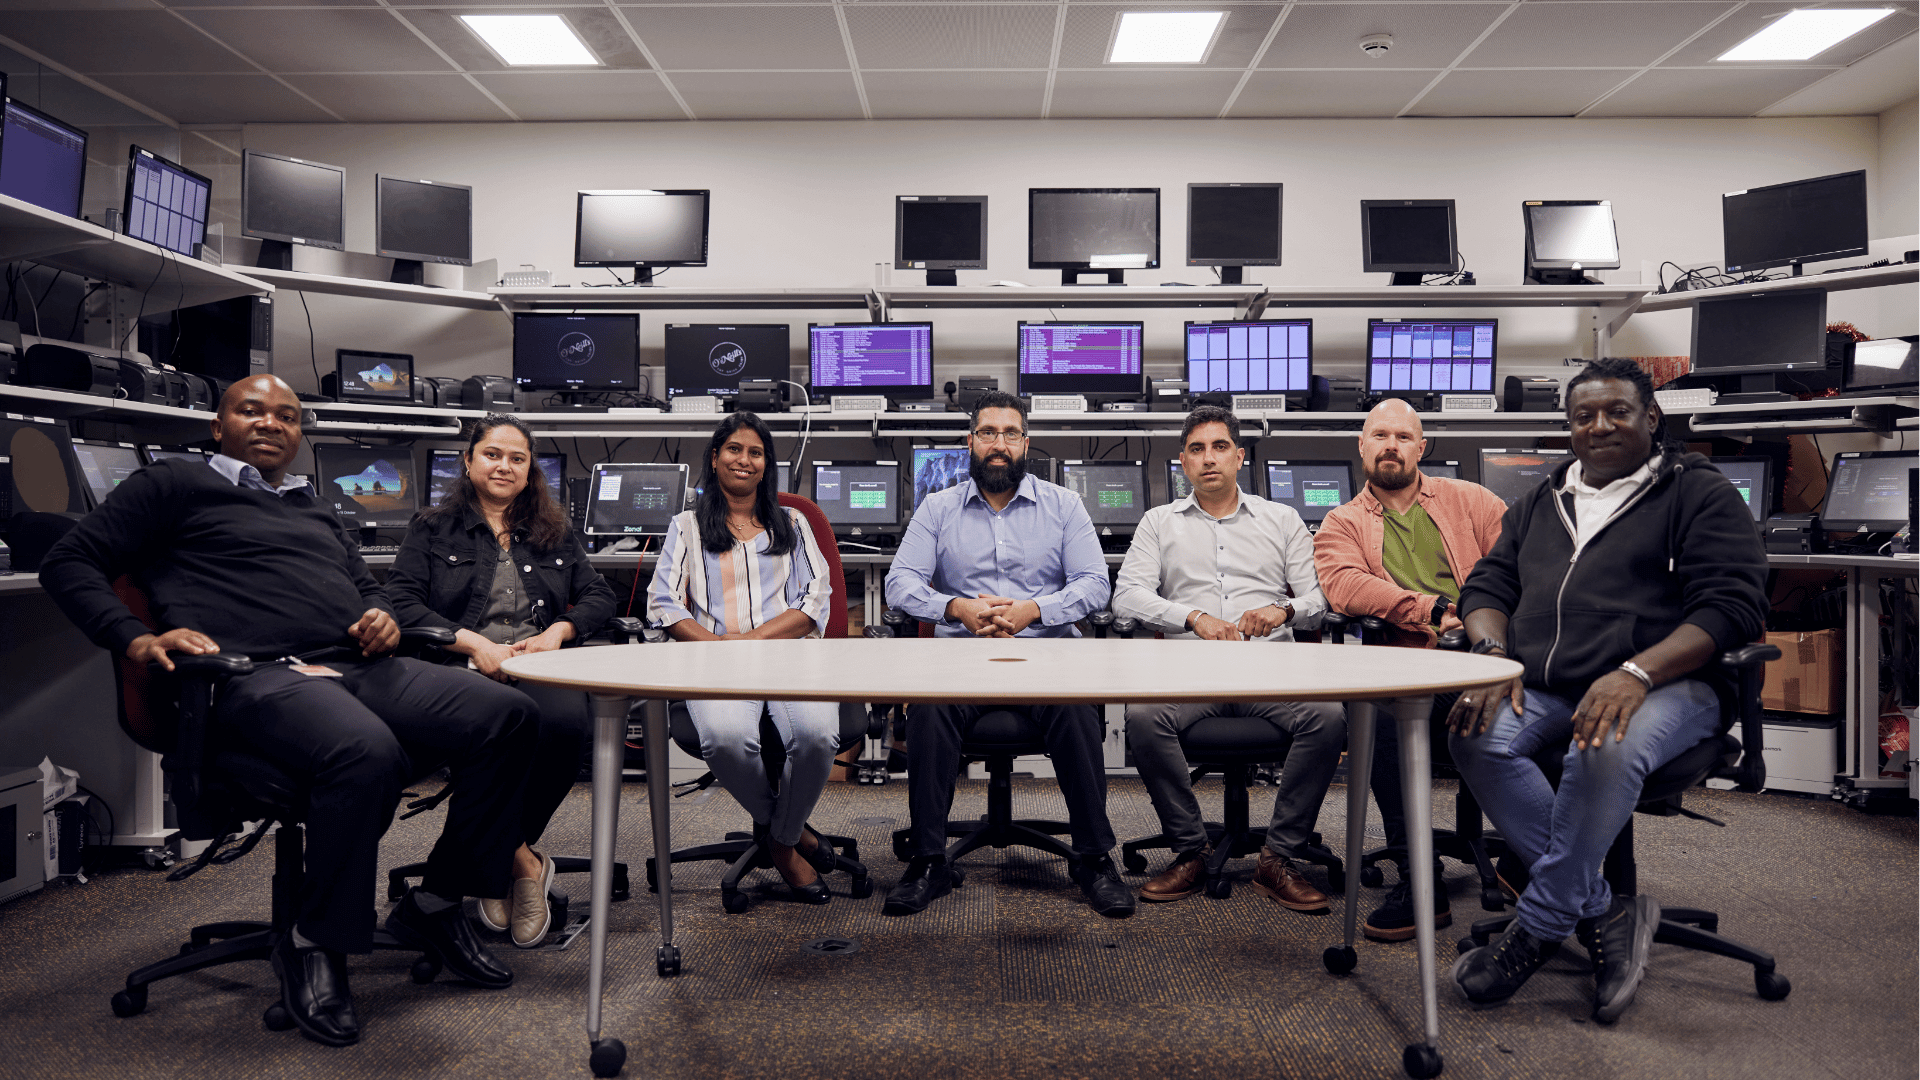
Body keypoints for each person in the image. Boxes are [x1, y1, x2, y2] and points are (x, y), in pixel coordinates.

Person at [38, 376, 537, 1048]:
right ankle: (315, 941)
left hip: (354, 665)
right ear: (218, 426)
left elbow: (367, 590)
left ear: (299, 434)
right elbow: (68, 560)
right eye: (252, 411)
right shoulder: (174, 485)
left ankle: (437, 901)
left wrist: (382, 618)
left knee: (509, 715)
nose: (271, 423)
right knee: (365, 750)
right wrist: (134, 637)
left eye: (287, 416)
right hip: (251, 675)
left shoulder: (316, 507)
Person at [1445, 358, 1767, 1023]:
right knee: (1473, 732)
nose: (1600, 426)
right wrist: (1493, 656)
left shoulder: (1698, 493)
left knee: (1602, 745)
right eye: (1584, 416)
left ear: (1652, 417)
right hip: (1550, 681)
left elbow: (1731, 609)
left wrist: (1636, 673)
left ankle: (1538, 926)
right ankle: (1600, 909)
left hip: (1673, 683)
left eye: (1618, 411)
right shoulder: (1540, 500)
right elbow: (1486, 587)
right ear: (1568, 427)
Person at [882, 390, 1125, 918]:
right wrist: (956, 608)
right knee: (928, 710)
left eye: (1010, 433)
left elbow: (1094, 584)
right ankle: (929, 861)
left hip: (1045, 658)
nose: (999, 444)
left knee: (1076, 711)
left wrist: (1033, 611)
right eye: (988, 433)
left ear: (1026, 443)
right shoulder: (938, 508)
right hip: (961, 661)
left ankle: (1093, 858)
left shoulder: (1063, 506)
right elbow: (899, 584)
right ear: (970, 442)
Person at [385, 413, 617, 948]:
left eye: (517, 458)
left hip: (536, 665)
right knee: (490, 735)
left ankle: (497, 858)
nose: (504, 466)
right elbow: (401, 601)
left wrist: (559, 631)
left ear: (530, 469)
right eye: (492, 454)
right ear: (468, 461)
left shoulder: (553, 529)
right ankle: (522, 865)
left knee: (564, 728)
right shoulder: (431, 527)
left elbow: (599, 594)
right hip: (460, 670)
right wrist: (473, 644)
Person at [1111, 405, 1343, 911]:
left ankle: (1278, 856)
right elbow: (1125, 597)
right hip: (1189, 671)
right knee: (1143, 718)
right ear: (1183, 462)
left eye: (1220, 447)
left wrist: (1282, 611)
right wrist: (1192, 617)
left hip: (1270, 670)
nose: (1209, 458)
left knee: (1328, 717)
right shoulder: (1158, 522)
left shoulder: (1281, 519)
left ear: (1239, 457)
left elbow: (1319, 599)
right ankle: (1190, 850)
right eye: (1197, 449)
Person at [1313, 398, 1508, 942]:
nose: (1391, 446)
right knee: (1374, 712)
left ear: (1422, 448)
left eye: (1403, 437)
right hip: (1409, 666)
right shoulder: (1342, 522)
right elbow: (1345, 586)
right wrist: (1432, 609)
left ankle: (1528, 858)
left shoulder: (1474, 501)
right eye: (1380, 435)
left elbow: (1519, 568)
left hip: (1487, 657)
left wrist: (1481, 621)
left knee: (1548, 701)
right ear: (1362, 446)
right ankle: (1417, 874)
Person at [645, 412, 841, 903]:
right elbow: (664, 603)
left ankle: (780, 839)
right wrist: (717, 649)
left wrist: (750, 641)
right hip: (714, 662)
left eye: (756, 452)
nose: (744, 460)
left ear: (766, 465)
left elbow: (815, 599)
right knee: (726, 740)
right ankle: (790, 834)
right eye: (734, 449)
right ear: (715, 458)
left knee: (818, 737)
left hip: (790, 659)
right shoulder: (686, 527)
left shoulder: (792, 523)